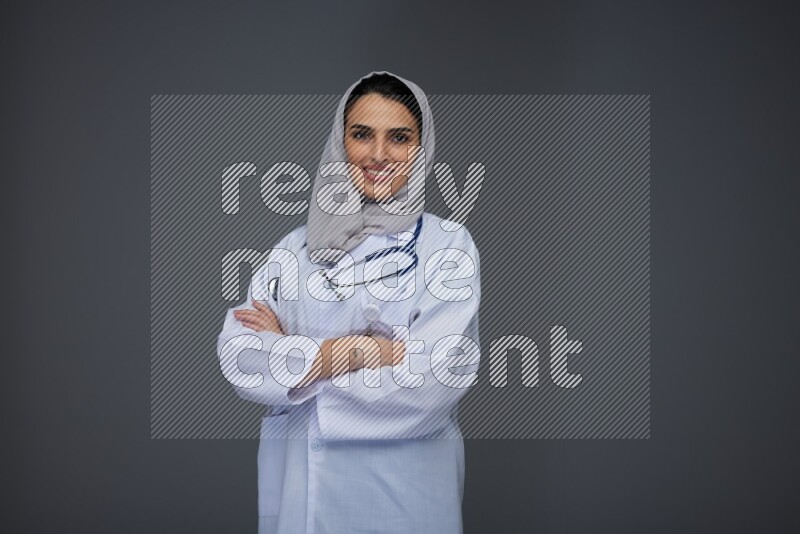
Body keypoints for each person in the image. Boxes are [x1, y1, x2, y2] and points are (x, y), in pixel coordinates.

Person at [217, 71, 481, 534]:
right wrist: (354, 352)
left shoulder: (447, 246)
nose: (379, 155)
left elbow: (433, 381)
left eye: (399, 138)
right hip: (302, 498)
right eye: (362, 135)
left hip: (404, 495)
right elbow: (239, 355)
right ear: (341, 144)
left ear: (420, 149)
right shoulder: (295, 247)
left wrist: (295, 364)